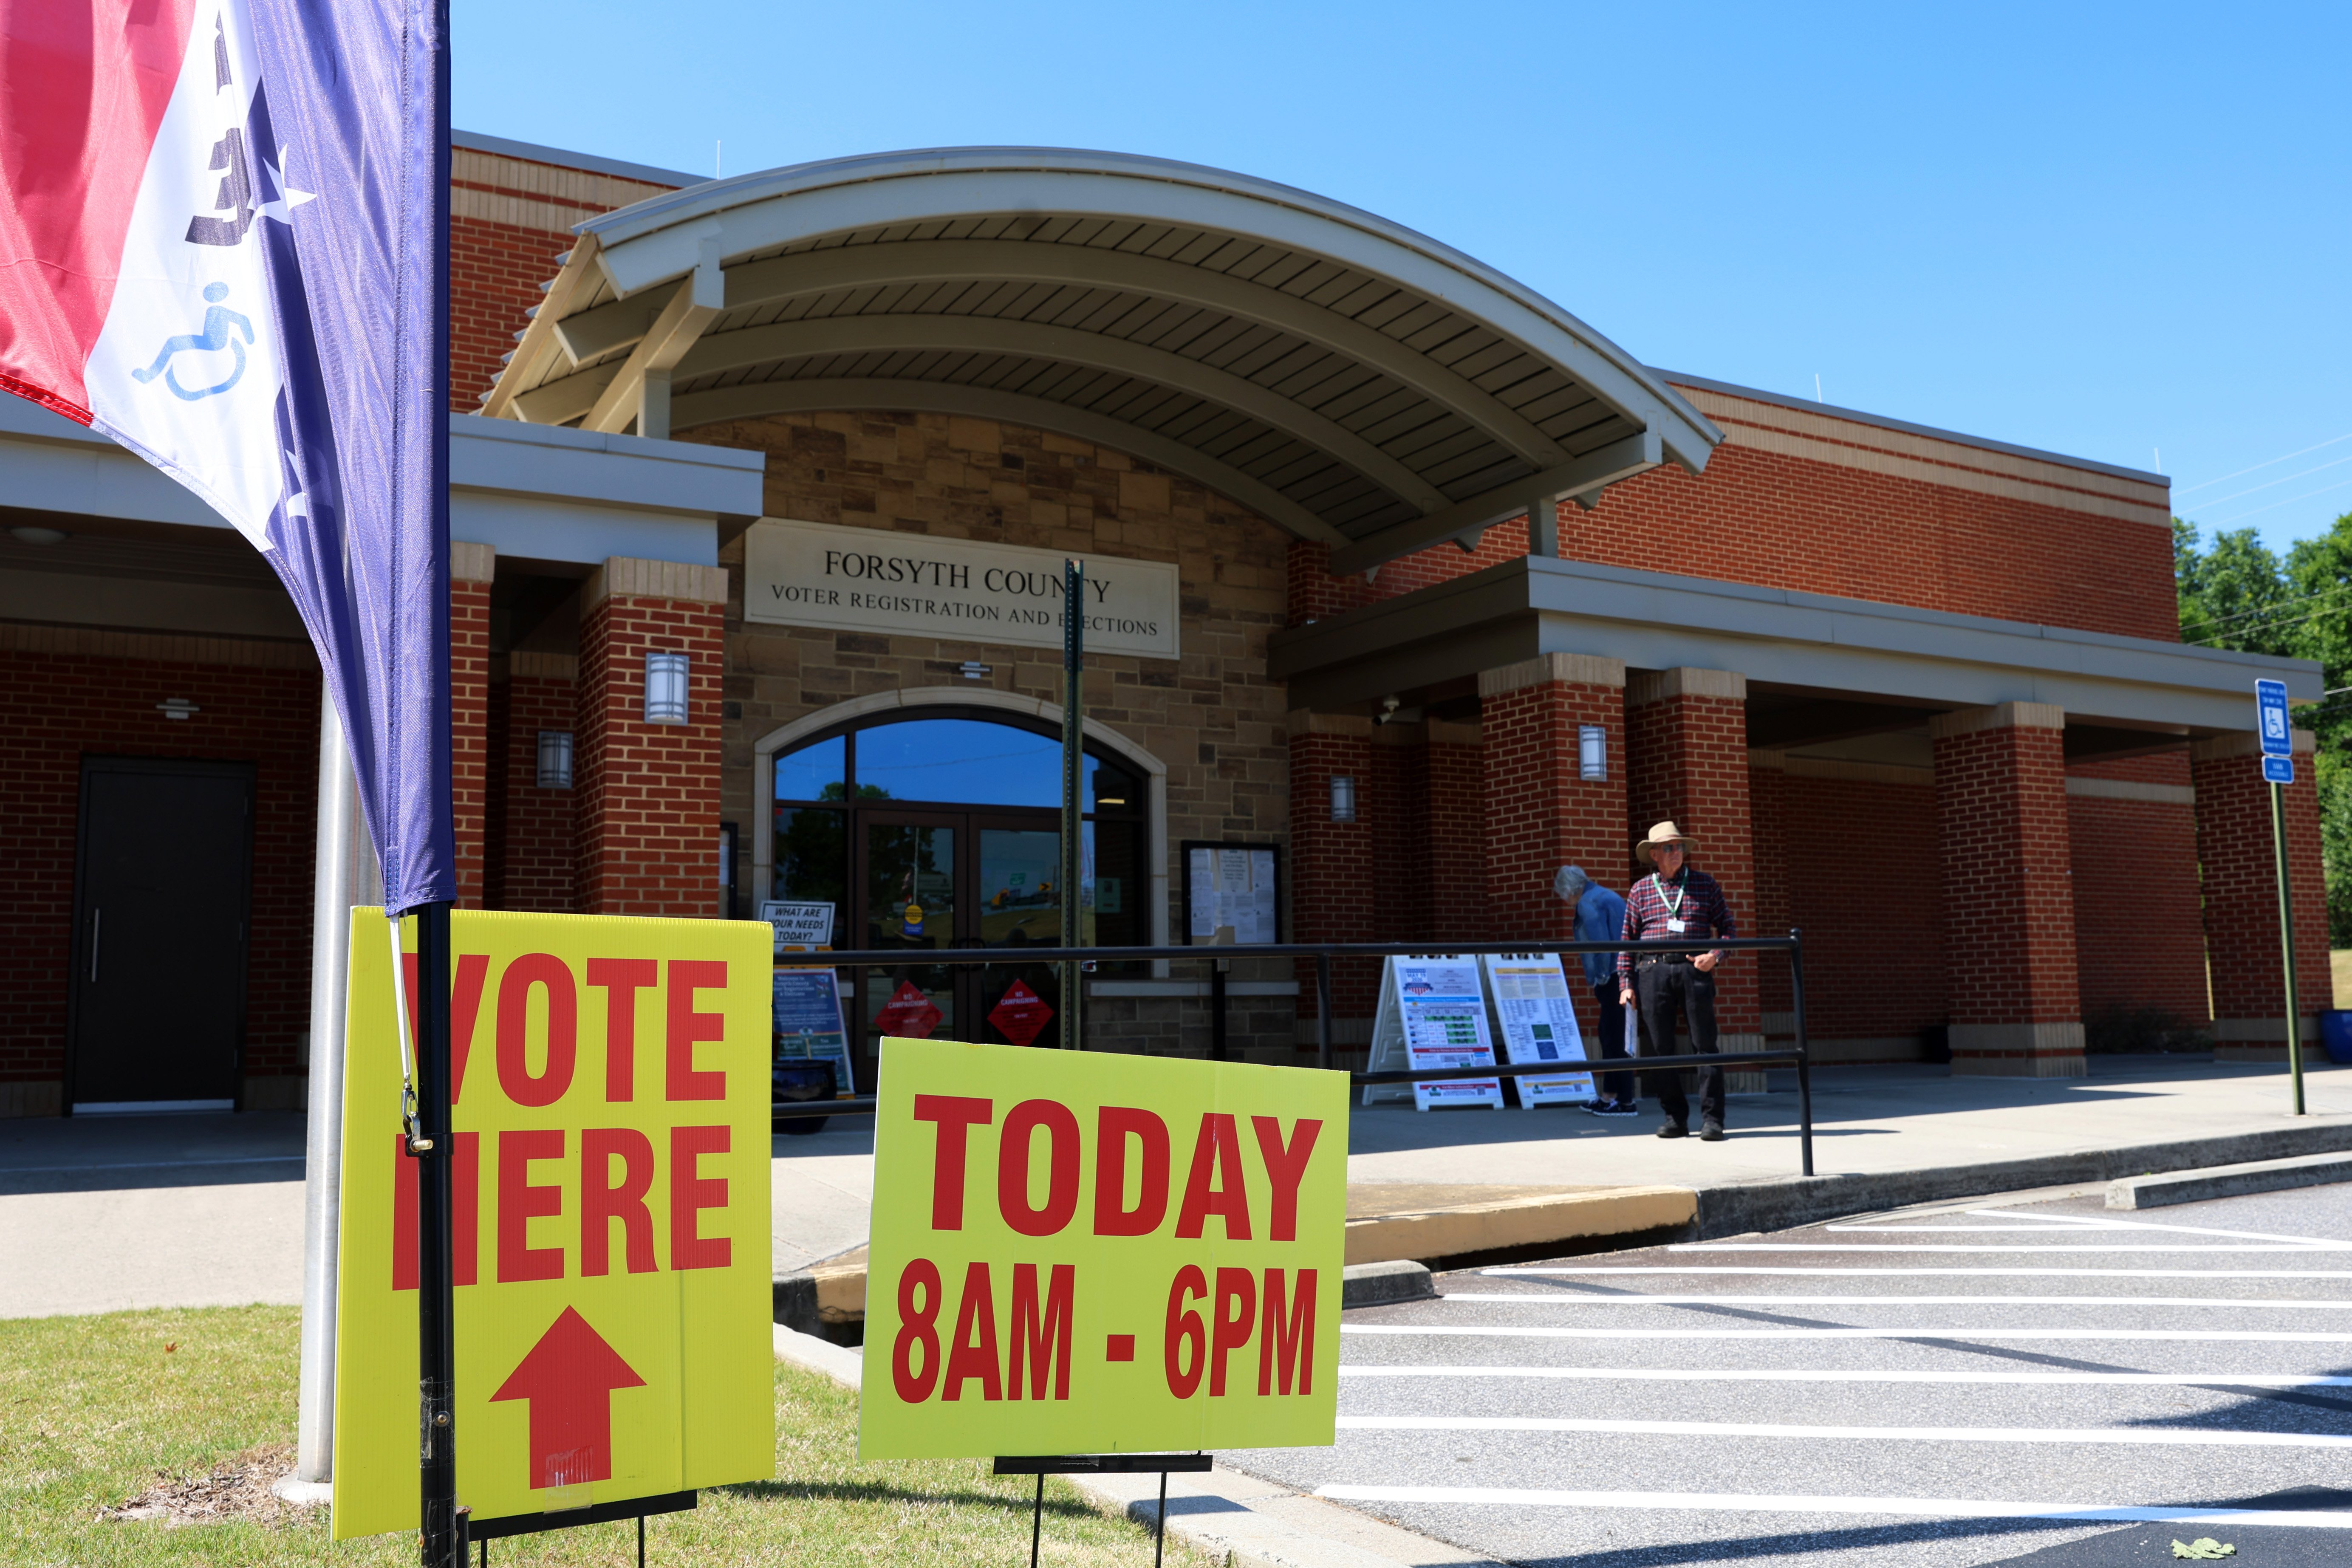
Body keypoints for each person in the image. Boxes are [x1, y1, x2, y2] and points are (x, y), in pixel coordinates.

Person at [1616, 820, 1738, 1142]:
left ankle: (1713, 1120)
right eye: (1669, 848)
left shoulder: (1705, 884)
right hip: (1653, 972)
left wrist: (1715, 955)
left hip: (1694, 970)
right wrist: (1626, 984)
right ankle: (1674, 1117)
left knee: (1705, 1045)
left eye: (1679, 846)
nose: (1676, 852)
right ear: (1654, 854)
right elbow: (1627, 940)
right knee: (1661, 1049)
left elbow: (1729, 928)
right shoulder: (1641, 890)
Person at [1553, 865, 1636, 1114]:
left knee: (1612, 1038)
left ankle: (1625, 1101)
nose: (1565, 901)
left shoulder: (1587, 903)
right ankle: (1610, 1095)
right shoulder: (1606, 895)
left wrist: (1600, 978)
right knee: (1616, 1036)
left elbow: (1600, 946)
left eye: (1564, 895)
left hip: (1612, 977)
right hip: (1627, 973)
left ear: (1571, 890)